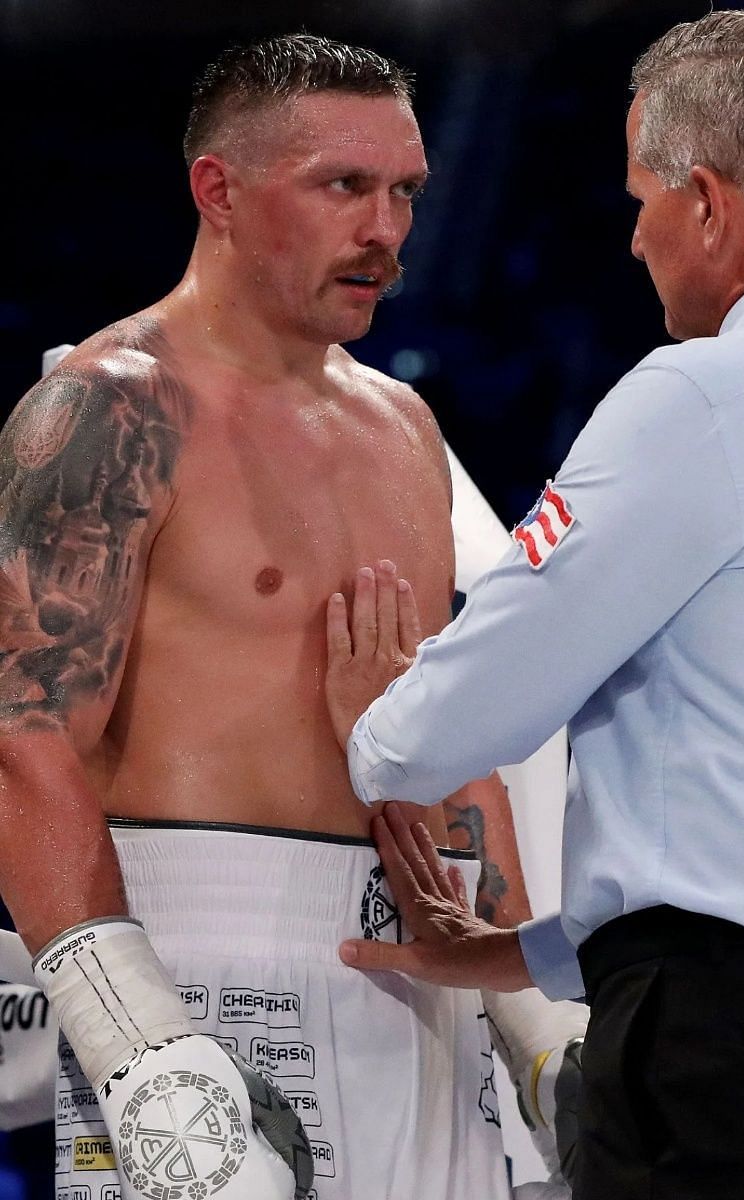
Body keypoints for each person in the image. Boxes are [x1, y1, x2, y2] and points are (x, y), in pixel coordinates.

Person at [317, 11, 744, 1199]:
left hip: (723, 1058)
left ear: (708, 203)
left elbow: (481, 699)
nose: (635, 241)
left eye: (641, 200)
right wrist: (537, 953)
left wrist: (374, 725)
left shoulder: (702, 398)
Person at [0, 34, 576, 1200]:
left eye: (404, 191)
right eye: (344, 187)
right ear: (219, 190)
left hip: (420, 975)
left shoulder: (404, 428)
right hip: (189, 953)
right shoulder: (111, 408)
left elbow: (447, 749)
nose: (386, 230)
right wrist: (138, 1052)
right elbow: (26, 737)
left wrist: (537, 1030)